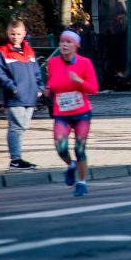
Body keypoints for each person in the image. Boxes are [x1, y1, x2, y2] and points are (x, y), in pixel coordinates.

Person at [46, 30, 99, 197]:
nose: (64, 45)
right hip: (62, 114)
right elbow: (52, 83)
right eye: (62, 42)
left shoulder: (85, 63)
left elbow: (94, 89)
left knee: (79, 148)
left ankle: (81, 183)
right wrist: (47, 89)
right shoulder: (52, 63)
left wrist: (79, 81)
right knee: (60, 147)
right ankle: (71, 165)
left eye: (68, 42)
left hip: (82, 113)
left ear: (76, 45)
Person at [0, 19, 45, 169]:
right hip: (14, 97)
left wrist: (39, 88)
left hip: (30, 96)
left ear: (24, 34)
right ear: (8, 33)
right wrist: (12, 87)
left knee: (23, 127)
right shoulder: (2, 52)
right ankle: (15, 159)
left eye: (18, 34)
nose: (15, 37)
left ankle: (17, 158)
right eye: (12, 34)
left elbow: (36, 72)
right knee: (16, 127)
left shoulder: (29, 51)